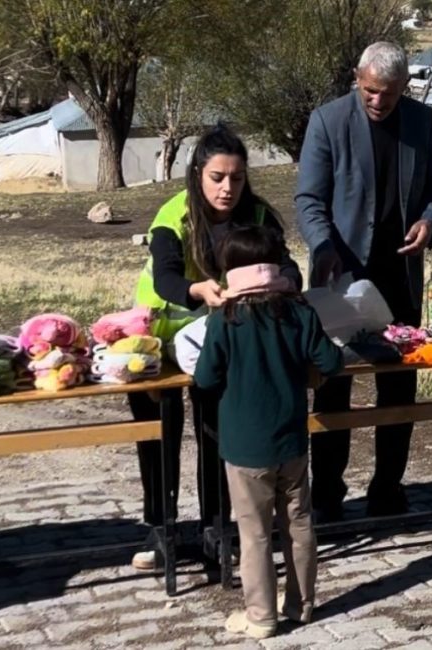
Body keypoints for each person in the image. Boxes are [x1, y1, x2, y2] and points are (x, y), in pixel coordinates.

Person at [130, 124, 303, 570]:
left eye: (238, 178)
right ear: (197, 175)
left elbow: (290, 270)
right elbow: (166, 278)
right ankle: (160, 529)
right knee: (158, 437)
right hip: (162, 340)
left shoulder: (258, 216)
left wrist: (280, 282)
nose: (228, 188)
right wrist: (197, 290)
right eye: (217, 178)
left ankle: (217, 527)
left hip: (221, 343)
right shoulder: (173, 218)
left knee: (216, 431)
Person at [295, 41, 432, 521]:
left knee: (399, 387)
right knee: (333, 382)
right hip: (341, 275)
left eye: (386, 93)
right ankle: (327, 493)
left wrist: (429, 220)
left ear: (404, 87)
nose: (377, 101)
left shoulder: (422, 123)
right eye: (368, 90)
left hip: (400, 275)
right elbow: (308, 201)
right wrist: (324, 250)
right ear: (357, 78)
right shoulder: (327, 121)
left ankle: (388, 488)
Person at [194, 225, 343, 639]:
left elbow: (205, 378)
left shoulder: (224, 321)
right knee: (299, 524)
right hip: (292, 441)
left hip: (244, 448)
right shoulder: (299, 312)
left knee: (255, 533)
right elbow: (331, 362)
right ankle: (301, 605)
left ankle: (260, 616)